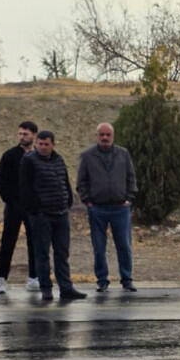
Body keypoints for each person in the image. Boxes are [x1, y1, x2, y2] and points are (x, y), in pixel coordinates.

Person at [19, 130, 86, 301]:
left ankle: (66, 287)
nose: (42, 147)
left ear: (53, 144)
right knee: (42, 253)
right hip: (42, 215)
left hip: (61, 212)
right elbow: (25, 187)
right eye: (39, 144)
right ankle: (46, 288)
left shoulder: (58, 159)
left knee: (62, 252)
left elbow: (65, 180)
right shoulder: (29, 160)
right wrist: (35, 209)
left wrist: (68, 200)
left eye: (46, 144)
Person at [77, 123, 137, 292]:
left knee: (124, 245)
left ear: (113, 136)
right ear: (97, 136)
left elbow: (131, 177)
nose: (105, 137)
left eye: (108, 134)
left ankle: (127, 280)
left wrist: (129, 198)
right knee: (99, 246)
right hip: (97, 209)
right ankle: (102, 280)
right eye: (101, 134)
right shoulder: (88, 156)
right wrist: (87, 201)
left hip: (120, 208)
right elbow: (82, 181)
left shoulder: (123, 154)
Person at [0, 121, 40, 293]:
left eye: (25, 134)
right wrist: (10, 200)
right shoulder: (10, 155)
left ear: (34, 135)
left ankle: (34, 277)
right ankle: (0, 278)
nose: (22, 137)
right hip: (14, 206)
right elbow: (0, 180)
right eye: (20, 133)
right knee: (8, 241)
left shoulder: (39, 155)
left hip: (33, 207)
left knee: (35, 242)